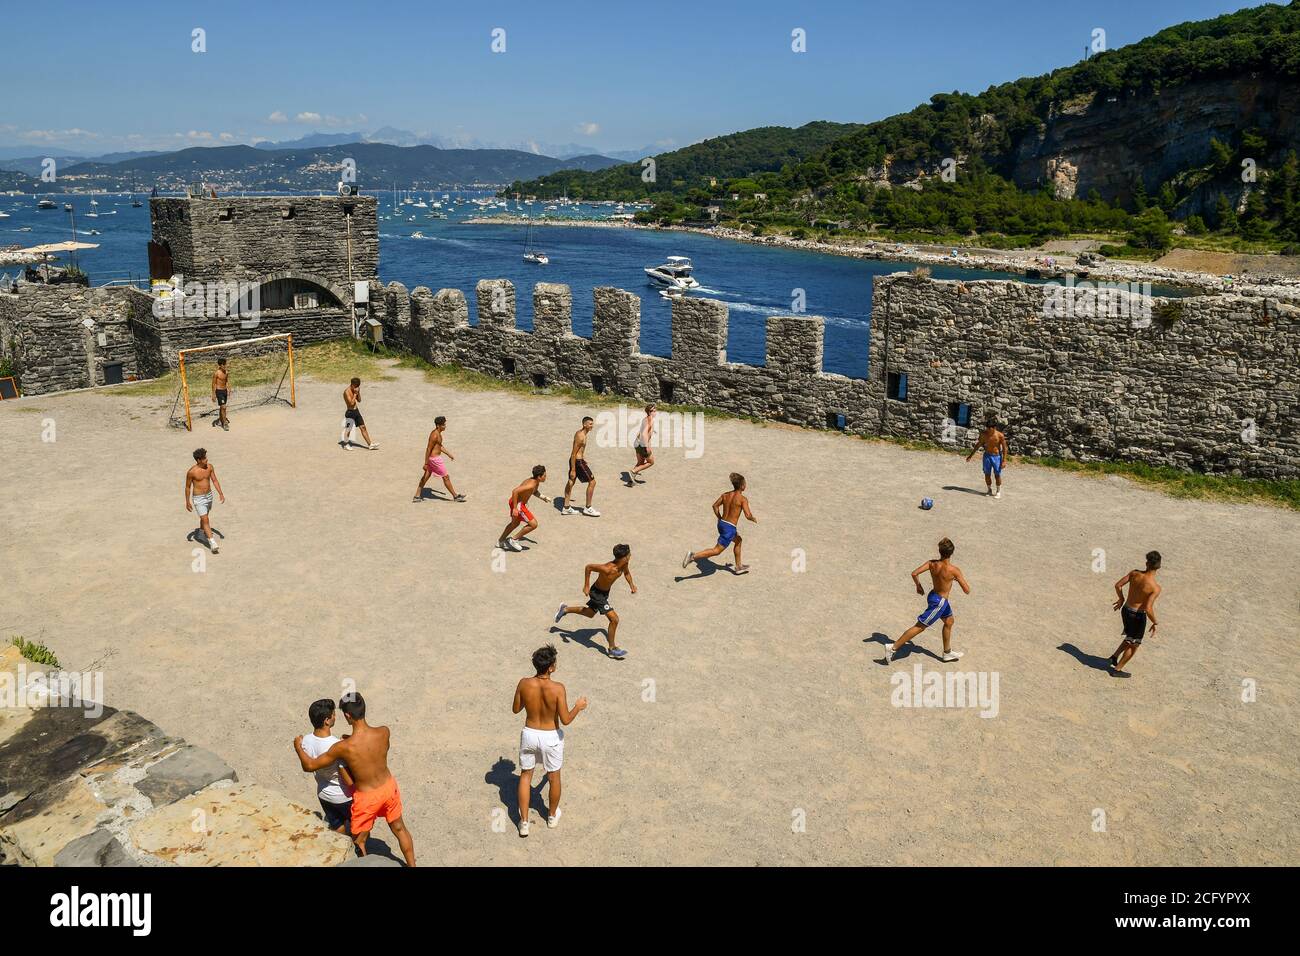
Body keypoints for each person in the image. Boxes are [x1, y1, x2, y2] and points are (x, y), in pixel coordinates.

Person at [293, 692, 416, 866]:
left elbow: (310, 766)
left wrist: (298, 748)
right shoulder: (384, 731)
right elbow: (379, 751)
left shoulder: (342, 747)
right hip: (389, 788)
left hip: (367, 798)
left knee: (359, 840)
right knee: (400, 829)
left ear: (347, 716)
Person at [511, 644, 588, 836]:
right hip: (550, 736)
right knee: (554, 777)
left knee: (525, 775)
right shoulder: (558, 688)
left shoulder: (523, 683)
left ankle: (524, 822)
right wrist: (578, 706)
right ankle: (552, 816)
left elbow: (515, 709)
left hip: (529, 733)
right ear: (551, 667)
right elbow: (566, 720)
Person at [882, 537, 970, 663]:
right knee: (920, 626)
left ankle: (947, 653)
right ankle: (893, 647)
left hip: (933, 596)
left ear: (940, 551)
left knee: (949, 621)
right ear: (952, 552)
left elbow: (914, 573)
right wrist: (956, 578)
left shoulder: (931, 563)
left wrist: (918, 586)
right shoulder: (954, 570)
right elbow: (967, 590)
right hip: (939, 603)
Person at [554, 543, 636, 659]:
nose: (630, 555)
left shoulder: (624, 564)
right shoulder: (607, 568)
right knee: (614, 619)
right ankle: (612, 649)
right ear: (624, 557)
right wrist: (586, 585)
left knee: (590, 613)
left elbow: (627, 573)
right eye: (629, 554)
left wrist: (632, 585)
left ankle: (565, 609)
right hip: (597, 594)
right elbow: (589, 567)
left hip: (604, 593)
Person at [297, 698, 354, 833]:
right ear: (327, 721)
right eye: (333, 714)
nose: (335, 716)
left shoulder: (305, 741)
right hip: (343, 796)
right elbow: (348, 779)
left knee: (338, 826)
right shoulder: (335, 746)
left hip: (323, 794)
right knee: (358, 827)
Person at [682, 473, 756, 573]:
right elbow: (748, 515)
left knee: (738, 540)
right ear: (742, 486)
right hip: (729, 528)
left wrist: (720, 517)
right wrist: (753, 518)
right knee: (717, 550)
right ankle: (693, 556)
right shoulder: (743, 499)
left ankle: (738, 566)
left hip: (721, 524)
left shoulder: (725, 495)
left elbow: (715, 506)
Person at [1108, 551, 1163, 674]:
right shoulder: (1155, 587)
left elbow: (1118, 585)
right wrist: (1155, 622)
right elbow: (1148, 608)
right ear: (1159, 565)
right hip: (1137, 616)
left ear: (1146, 563)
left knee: (1130, 636)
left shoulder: (1134, 573)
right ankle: (1117, 670)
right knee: (1134, 645)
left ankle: (1114, 657)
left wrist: (1121, 599)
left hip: (1126, 610)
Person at [413, 415, 466, 502]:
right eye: (443, 425)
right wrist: (426, 463)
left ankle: (417, 496)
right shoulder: (434, 435)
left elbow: (439, 446)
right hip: (435, 460)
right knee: (446, 477)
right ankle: (455, 496)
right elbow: (428, 449)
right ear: (438, 425)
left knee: (426, 476)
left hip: (433, 459)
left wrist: (448, 454)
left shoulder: (438, 434)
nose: (445, 426)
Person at [498, 465, 549, 553]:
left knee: (514, 524)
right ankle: (513, 539)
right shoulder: (531, 484)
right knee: (533, 524)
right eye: (544, 475)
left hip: (516, 503)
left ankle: (500, 541)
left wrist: (543, 497)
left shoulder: (534, 481)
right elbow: (515, 491)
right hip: (518, 505)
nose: (546, 477)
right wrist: (515, 508)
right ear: (539, 477)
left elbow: (534, 492)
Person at [184, 447, 225, 554]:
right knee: (206, 519)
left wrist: (220, 493)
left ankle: (201, 533)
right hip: (198, 499)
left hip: (209, 496)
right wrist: (187, 501)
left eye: (206, 457)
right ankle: (212, 543)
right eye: (204, 458)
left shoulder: (210, 467)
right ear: (198, 460)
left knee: (205, 516)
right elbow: (188, 487)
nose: (206, 459)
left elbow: (215, 480)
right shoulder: (191, 472)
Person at [562, 417, 600, 516]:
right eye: (590, 424)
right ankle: (588, 507)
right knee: (592, 482)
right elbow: (574, 453)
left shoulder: (582, 433)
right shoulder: (581, 436)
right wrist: (573, 469)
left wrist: (583, 458)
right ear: (584, 425)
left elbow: (579, 451)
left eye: (592, 423)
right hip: (577, 462)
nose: (592, 425)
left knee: (571, 481)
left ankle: (566, 507)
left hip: (579, 460)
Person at [966, 419, 1008, 498]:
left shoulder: (1000, 435)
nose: (988, 429)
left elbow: (1005, 448)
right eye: (987, 427)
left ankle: (998, 491)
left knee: (997, 475)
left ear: (994, 427)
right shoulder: (984, 434)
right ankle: (989, 490)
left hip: (997, 457)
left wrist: (1004, 461)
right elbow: (978, 445)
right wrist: (970, 456)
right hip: (987, 456)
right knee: (987, 474)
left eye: (989, 428)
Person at [342, 377, 378, 450]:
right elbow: (351, 404)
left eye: (358, 386)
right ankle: (346, 445)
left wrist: (358, 393)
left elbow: (359, 400)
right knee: (348, 429)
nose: (357, 388)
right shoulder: (346, 392)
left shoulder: (356, 389)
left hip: (356, 411)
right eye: (355, 386)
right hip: (350, 413)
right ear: (352, 385)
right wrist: (355, 394)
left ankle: (370, 444)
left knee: (363, 427)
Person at [629, 403, 656, 483]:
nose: (655, 411)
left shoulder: (645, 418)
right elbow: (644, 434)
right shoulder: (650, 420)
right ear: (650, 412)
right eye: (653, 410)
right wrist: (647, 446)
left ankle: (631, 481)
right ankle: (633, 471)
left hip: (637, 442)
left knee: (640, 462)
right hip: (642, 444)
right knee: (651, 462)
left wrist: (652, 430)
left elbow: (642, 430)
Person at [211, 358, 230, 431]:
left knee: (222, 407)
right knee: (224, 407)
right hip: (219, 391)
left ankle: (220, 420)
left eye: (226, 364)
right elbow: (213, 384)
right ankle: (224, 423)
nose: (225, 366)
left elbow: (227, 381)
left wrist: (228, 388)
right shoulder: (216, 373)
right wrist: (213, 394)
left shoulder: (226, 372)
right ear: (220, 365)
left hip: (224, 391)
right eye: (224, 364)